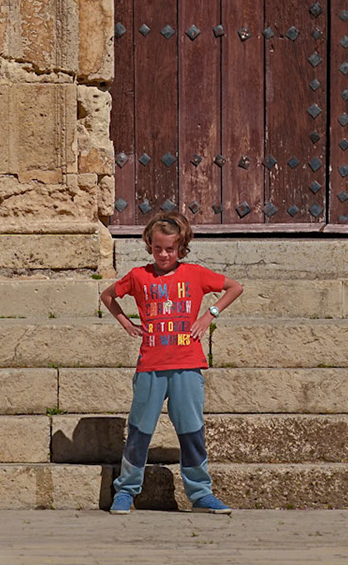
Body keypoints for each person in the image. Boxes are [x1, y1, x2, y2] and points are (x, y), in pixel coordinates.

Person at [101, 213, 243, 514]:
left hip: (187, 366)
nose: (164, 255)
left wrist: (209, 315)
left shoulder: (196, 274)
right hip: (150, 367)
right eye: (158, 248)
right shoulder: (138, 276)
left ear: (181, 247)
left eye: (170, 249)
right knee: (139, 431)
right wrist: (126, 323)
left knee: (192, 432)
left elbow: (235, 287)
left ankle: (200, 494)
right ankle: (126, 490)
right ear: (149, 246)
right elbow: (108, 296)